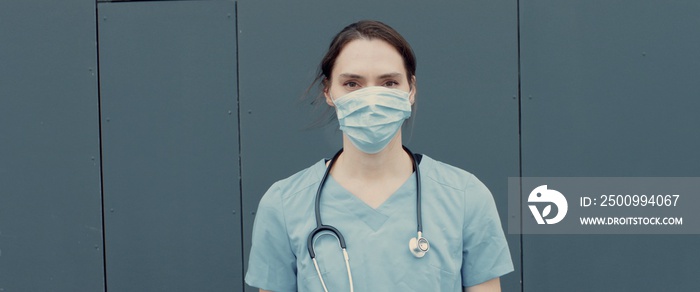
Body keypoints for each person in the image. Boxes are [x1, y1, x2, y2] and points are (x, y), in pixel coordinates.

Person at [245, 20, 513, 292]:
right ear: (328, 92)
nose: (371, 99)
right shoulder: (284, 204)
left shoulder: (465, 196)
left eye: (389, 83)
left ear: (411, 90)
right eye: (352, 83)